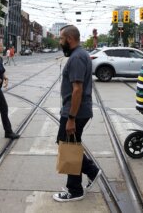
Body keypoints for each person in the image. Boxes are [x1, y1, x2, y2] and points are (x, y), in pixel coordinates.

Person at [53, 25, 101, 202]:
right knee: (68, 146)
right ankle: (92, 172)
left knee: (69, 148)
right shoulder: (79, 55)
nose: (60, 42)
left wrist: (71, 118)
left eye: (61, 39)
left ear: (69, 39)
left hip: (76, 112)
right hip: (76, 111)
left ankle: (75, 190)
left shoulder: (77, 58)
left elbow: (77, 89)